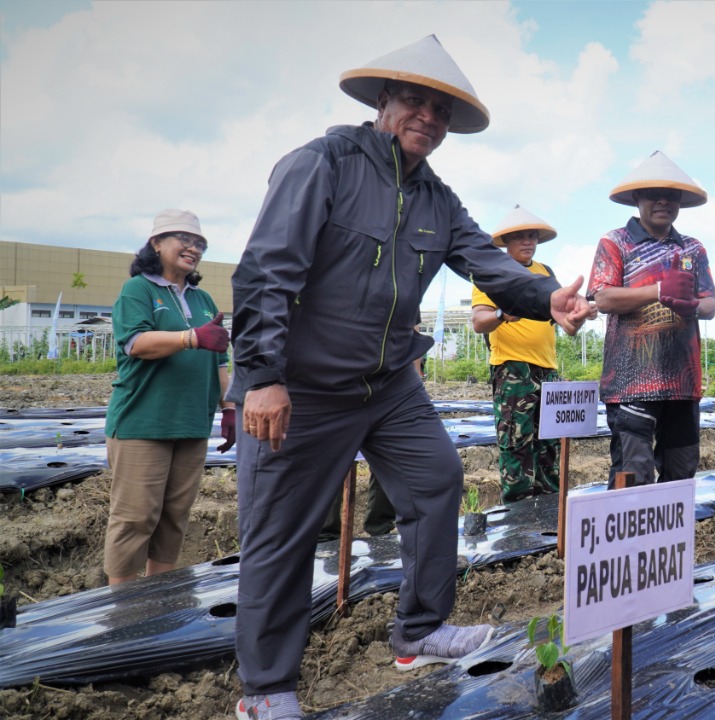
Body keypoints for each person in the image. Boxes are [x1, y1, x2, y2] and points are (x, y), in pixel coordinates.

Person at [227, 36, 592, 720]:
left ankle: (420, 631)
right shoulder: (323, 164)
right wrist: (262, 377)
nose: (428, 116)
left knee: (436, 481)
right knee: (281, 533)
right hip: (302, 384)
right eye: (415, 101)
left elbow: (489, 263)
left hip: (388, 379)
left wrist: (549, 300)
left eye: (441, 110)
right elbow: (264, 273)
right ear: (383, 101)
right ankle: (266, 690)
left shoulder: (436, 198)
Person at [103, 209, 232, 585]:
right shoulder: (139, 289)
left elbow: (218, 359)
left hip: (191, 421)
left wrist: (229, 408)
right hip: (144, 421)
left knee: (175, 515)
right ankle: (122, 609)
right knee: (135, 516)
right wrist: (189, 337)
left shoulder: (203, 298)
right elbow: (136, 343)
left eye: (200, 244)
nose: (194, 248)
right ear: (157, 243)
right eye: (185, 240)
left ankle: (157, 600)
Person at [588, 151, 715, 488]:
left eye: (671, 195)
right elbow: (603, 298)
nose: (663, 202)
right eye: (653, 195)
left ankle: (670, 543)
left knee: (681, 472)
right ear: (637, 198)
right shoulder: (615, 242)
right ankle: (625, 543)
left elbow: (711, 304)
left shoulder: (692, 249)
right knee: (633, 475)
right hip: (631, 384)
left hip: (682, 384)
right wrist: (658, 291)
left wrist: (691, 303)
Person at [472, 205, 569, 503]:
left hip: (547, 369)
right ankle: (517, 511)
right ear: (507, 241)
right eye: (521, 237)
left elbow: (561, 311)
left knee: (549, 441)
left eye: (532, 236)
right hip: (513, 368)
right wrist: (503, 313)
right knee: (517, 440)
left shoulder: (545, 274)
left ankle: (549, 504)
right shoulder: (492, 273)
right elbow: (479, 321)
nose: (528, 242)